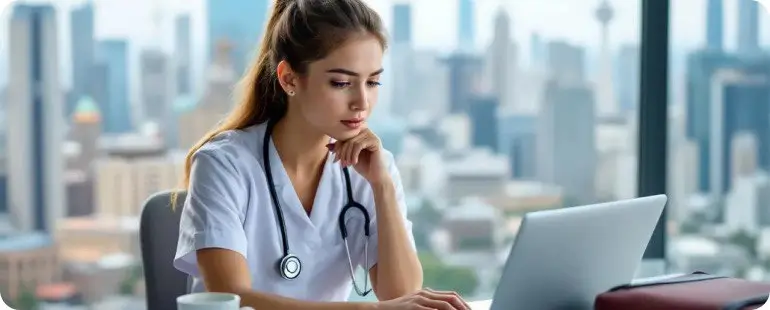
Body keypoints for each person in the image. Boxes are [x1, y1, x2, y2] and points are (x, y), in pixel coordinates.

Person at [172, 0, 470, 309]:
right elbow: (232, 298)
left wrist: (382, 187)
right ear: (289, 78)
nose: (362, 102)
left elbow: (402, 295)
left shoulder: (373, 167)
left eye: (372, 81)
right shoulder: (223, 164)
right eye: (341, 83)